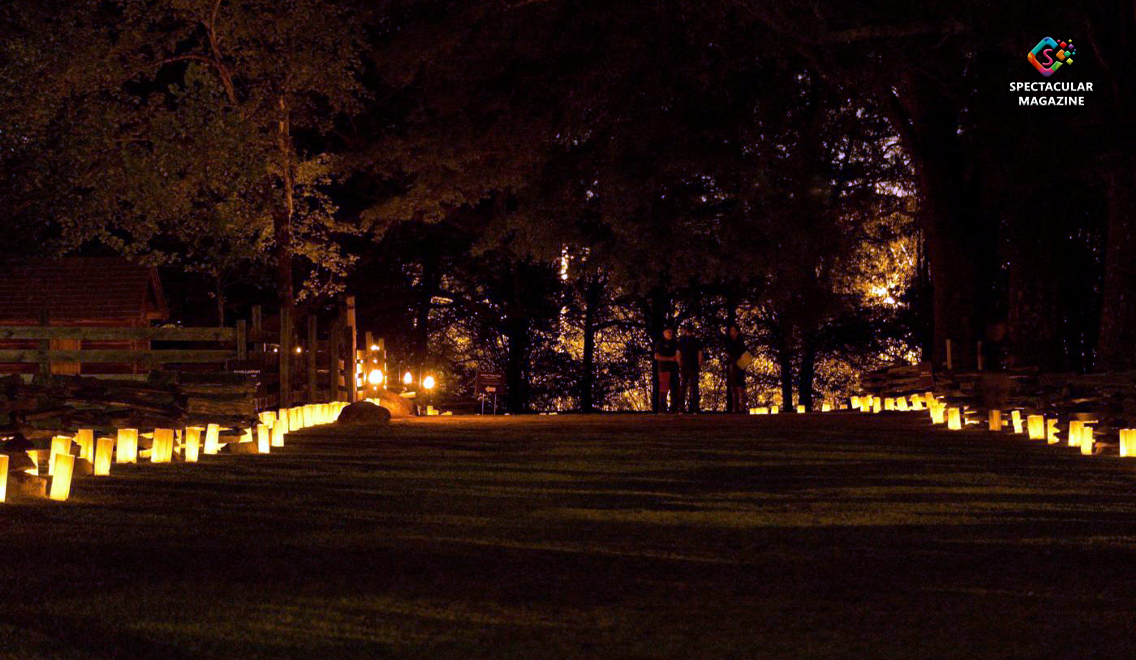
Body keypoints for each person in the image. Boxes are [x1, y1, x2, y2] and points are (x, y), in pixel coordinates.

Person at [677, 325, 704, 413]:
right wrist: (699, 364)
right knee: (694, 387)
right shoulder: (697, 341)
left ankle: (681, 408)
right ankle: (695, 408)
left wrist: (680, 363)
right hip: (693, 366)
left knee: (683, 387)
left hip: (685, 366)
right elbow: (700, 354)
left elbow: (678, 353)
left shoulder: (681, 340)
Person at [653, 326, 680, 413]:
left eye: (671, 331)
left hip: (674, 369)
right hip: (664, 369)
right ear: (664, 333)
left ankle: (673, 409)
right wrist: (670, 359)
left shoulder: (675, 343)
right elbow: (656, 356)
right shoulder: (660, 343)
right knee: (664, 390)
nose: (670, 333)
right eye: (668, 331)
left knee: (675, 389)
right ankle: (662, 409)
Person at [726, 324, 749, 413]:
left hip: (739, 364)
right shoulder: (731, 342)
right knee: (734, 386)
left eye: (733, 331)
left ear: (737, 332)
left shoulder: (740, 342)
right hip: (733, 365)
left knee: (740, 385)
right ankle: (735, 407)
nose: (731, 333)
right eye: (731, 331)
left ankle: (741, 407)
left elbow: (742, 353)